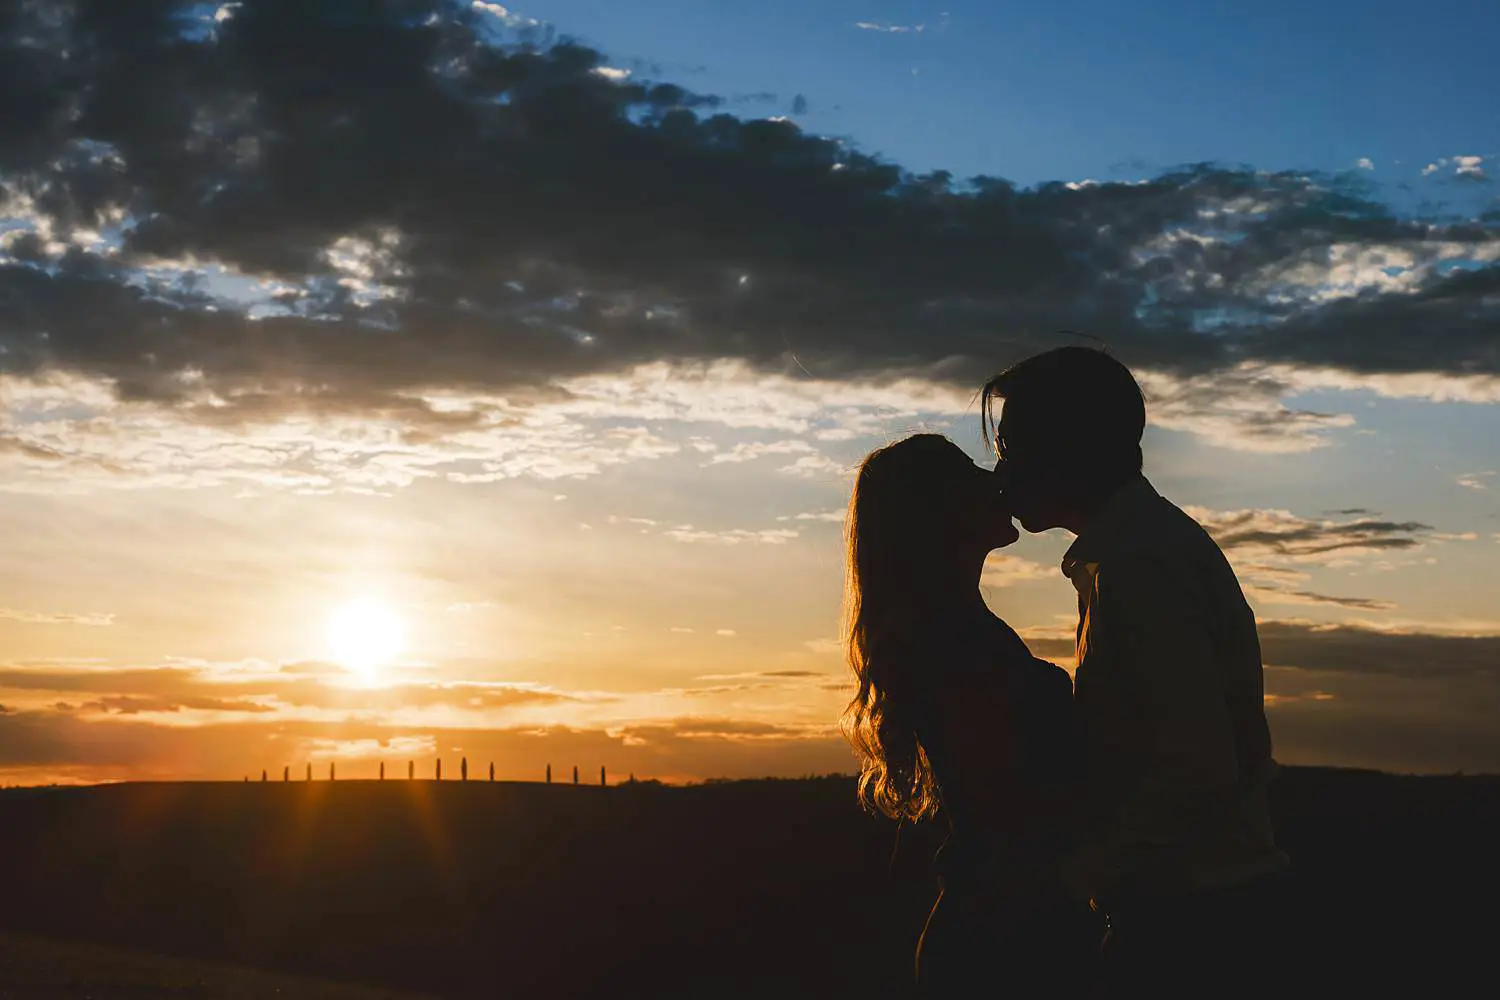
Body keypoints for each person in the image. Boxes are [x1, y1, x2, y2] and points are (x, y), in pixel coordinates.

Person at [981, 346, 1292, 996]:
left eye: (1011, 446)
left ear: (1066, 447)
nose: (1001, 472)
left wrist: (1072, 881)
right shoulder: (1135, 553)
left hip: (1196, 927)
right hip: (1201, 913)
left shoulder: (1141, 566)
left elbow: (1195, 769)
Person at [839, 433, 1095, 998]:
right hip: (1004, 940)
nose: (994, 478)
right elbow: (1022, 803)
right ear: (939, 511)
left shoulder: (956, 631)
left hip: (1006, 925)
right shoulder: (947, 643)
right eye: (971, 472)